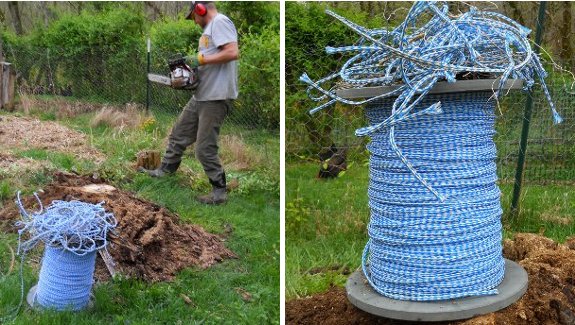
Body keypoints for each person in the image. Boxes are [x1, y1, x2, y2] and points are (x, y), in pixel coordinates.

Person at [142, 1, 239, 205]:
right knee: (179, 134)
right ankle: (165, 171)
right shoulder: (211, 29)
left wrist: (201, 60)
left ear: (200, 9)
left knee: (204, 148)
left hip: (216, 97)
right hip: (202, 94)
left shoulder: (220, 22)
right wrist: (191, 76)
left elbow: (231, 52)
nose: (194, 22)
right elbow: (210, 61)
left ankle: (219, 192)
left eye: (193, 16)